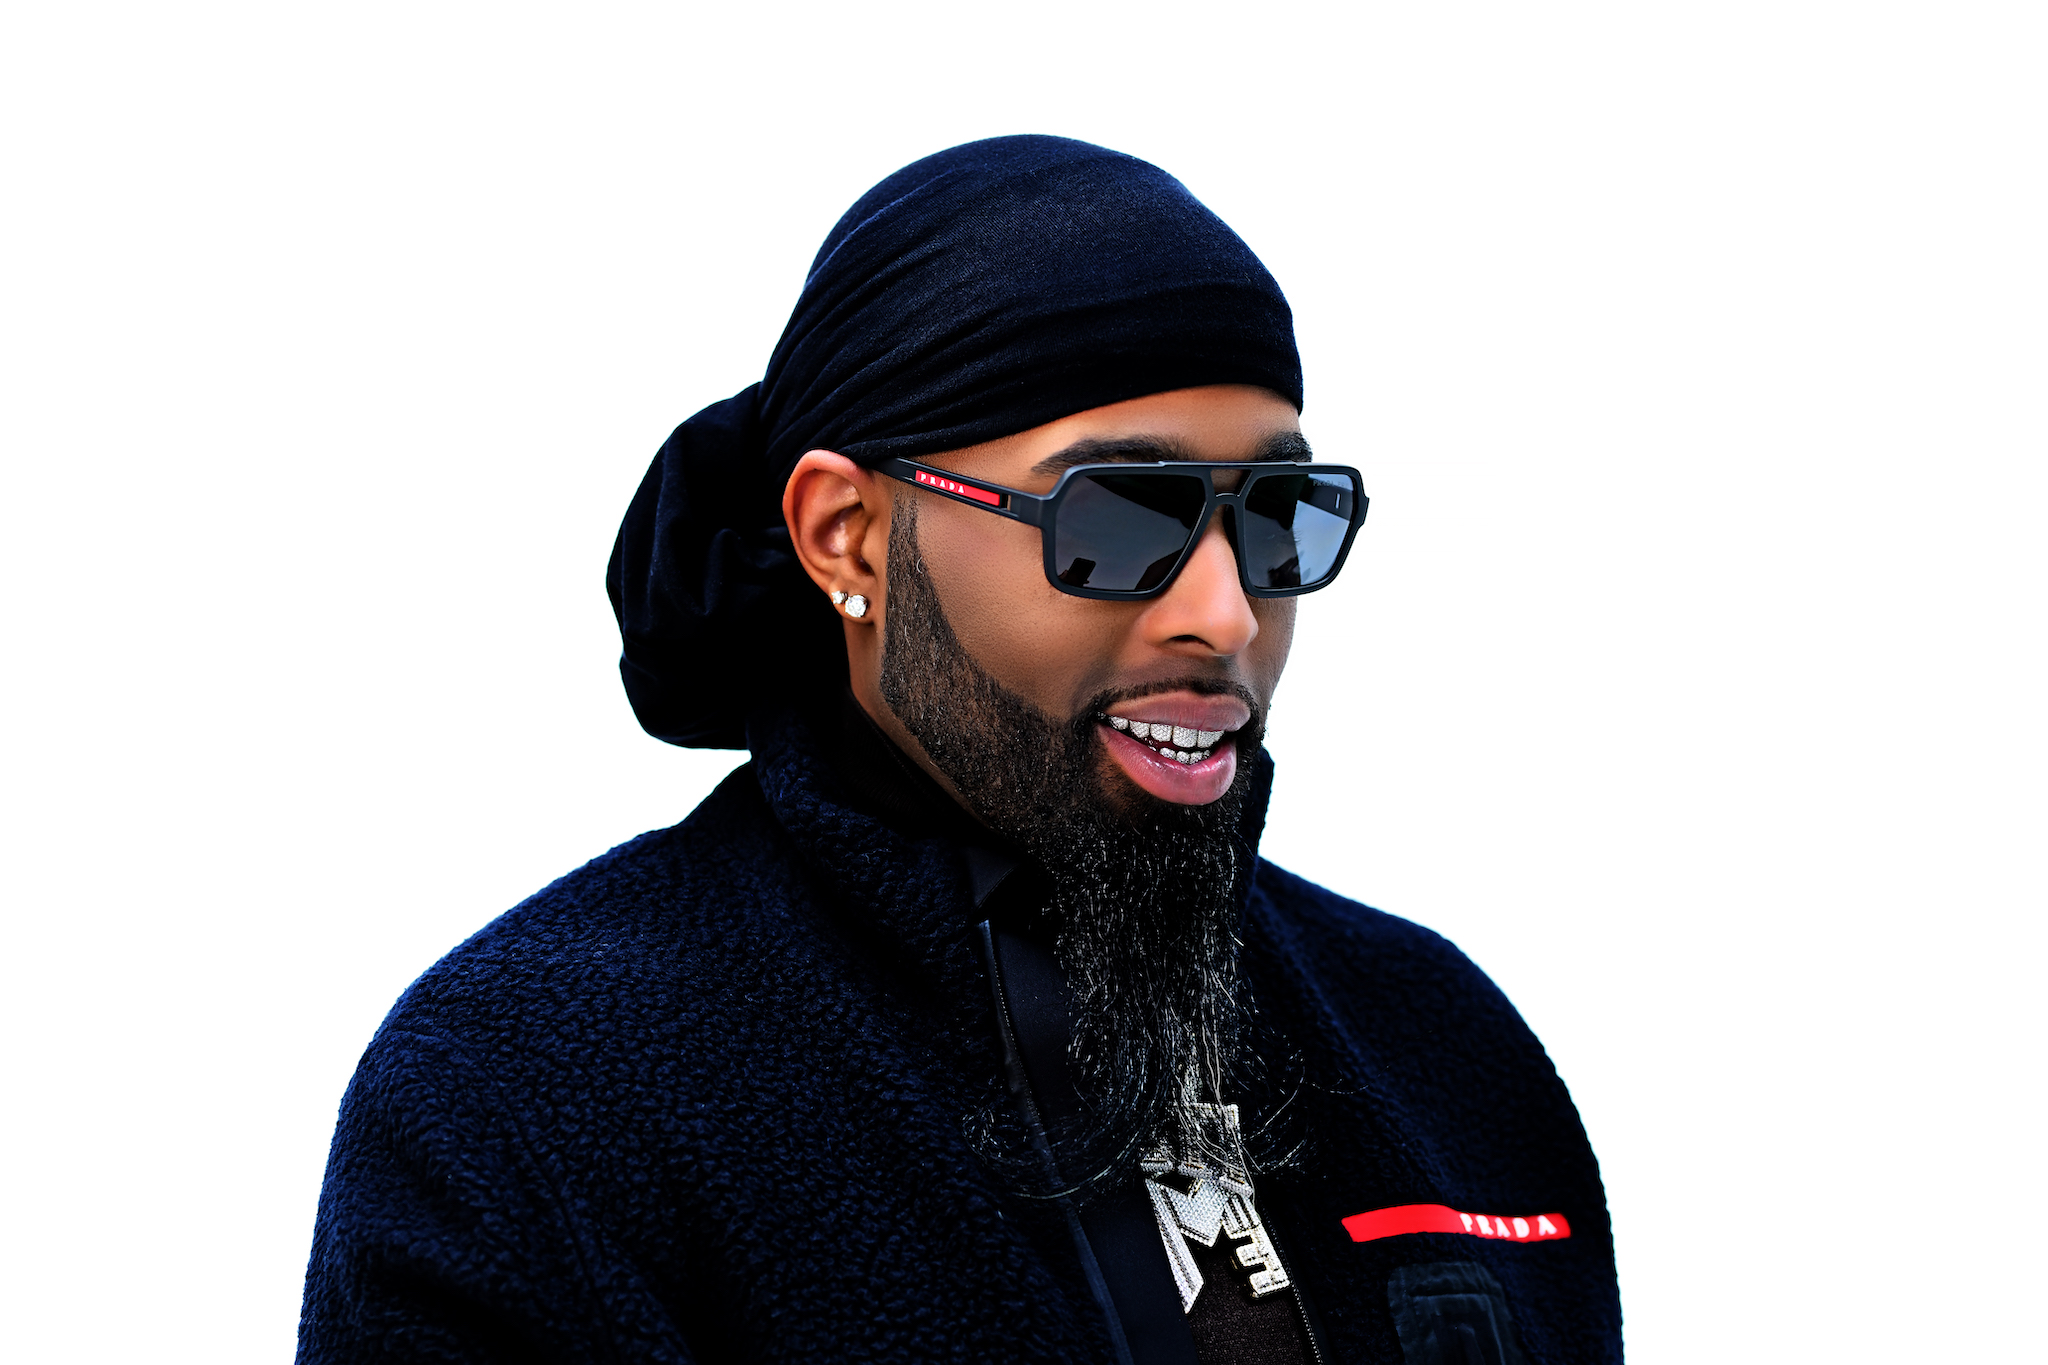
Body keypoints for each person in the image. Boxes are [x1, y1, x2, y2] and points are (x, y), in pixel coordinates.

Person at [298, 135, 1621, 1365]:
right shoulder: (535, 1093)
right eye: (1119, 517)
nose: (1225, 612)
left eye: (1279, 517)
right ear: (847, 536)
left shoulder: (1444, 1048)